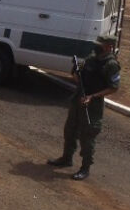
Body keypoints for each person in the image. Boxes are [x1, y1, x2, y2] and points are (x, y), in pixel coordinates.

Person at [47, 34, 121, 180]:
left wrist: (92, 97)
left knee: (87, 137)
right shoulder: (91, 59)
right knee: (70, 130)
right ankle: (66, 158)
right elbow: (78, 77)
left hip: (92, 105)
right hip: (78, 99)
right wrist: (75, 72)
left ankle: (85, 168)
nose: (96, 46)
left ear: (108, 47)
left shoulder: (111, 65)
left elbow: (114, 88)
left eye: (100, 44)